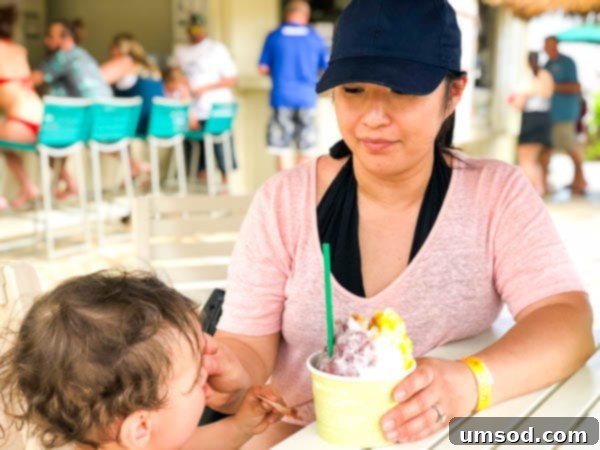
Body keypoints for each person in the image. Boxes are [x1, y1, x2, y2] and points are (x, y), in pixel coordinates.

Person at [200, 1, 594, 448]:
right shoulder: (283, 202)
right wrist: (230, 369)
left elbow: (566, 321)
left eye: (402, 90)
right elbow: (248, 347)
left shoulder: (495, 195)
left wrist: (469, 382)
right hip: (304, 435)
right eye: (353, 90)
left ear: (455, 93)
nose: (372, 116)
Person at [0, 271, 285, 450]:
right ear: (141, 427)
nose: (207, 375)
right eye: (195, 379)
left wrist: (241, 426)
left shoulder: (142, 442)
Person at [32, 20, 113, 200]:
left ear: (65, 38)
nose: (46, 41)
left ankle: (70, 183)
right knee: (60, 137)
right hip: (110, 121)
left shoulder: (63, 56)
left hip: (88, 123)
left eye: (50, 37)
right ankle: (69, 183)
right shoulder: (85, 55)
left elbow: (33, 79)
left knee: (43, 139)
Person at [258, 0, 329, 171]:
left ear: (286, 14)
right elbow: (326, 69)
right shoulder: (314, 37)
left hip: (281, 96)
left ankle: (283, 189)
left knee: (280, 146)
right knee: (306, 144)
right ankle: (299, 190)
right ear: (306, 15)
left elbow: (263, 68)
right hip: (307, 97)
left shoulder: (274, 36)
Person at [172, 14, 238, 184]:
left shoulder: (217, 49)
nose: (196, 32)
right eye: (193, 28)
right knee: (195, 149)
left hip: (216, 106)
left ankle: (225, 183)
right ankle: (200, 180)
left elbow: (231, 78)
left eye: (199, 27)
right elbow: (175, 74)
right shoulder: (180, 51)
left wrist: (204, 88)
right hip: (192, 108)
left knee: (221, 146)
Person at [101, 33, 165, 184]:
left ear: (117, 49)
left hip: (138, 123)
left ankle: (136, 166)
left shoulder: (125, 62)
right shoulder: (150, 66)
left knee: (96, 130)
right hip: (157, 124)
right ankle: (134, 168)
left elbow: (93, 80)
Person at [0, 4, 42, 210]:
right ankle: (29, 186)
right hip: (40, 117)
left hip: (20, 121)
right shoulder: (19, 49)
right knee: (7, 149)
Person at [542, 36, 588, 195]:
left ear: (556, 45)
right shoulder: (547, 65)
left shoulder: (567, 62)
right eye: (546, 45)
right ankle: (547, 182)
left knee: (569, 146)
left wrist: (552, 86)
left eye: (550, 45)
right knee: (548, 148)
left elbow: (575, 86)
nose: (548, 48)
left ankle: (581, 181)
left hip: (566, 112)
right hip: (551, 113)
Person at [508, 51, 554, 195]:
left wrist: (512, 101)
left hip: (531, 119)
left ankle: (533, 193)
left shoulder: (527, 78)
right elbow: (548, 94)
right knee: (534, 160)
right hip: (544, 119)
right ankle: (540, 189)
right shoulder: (546, 75)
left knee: (525, 160)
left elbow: (519, 103)